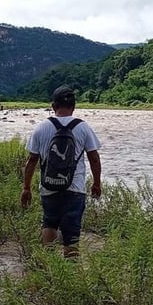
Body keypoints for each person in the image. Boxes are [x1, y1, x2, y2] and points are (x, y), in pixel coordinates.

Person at [21, 85, 102, 257]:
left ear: (53, 106)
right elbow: (94, 158)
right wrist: (97, 183)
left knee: (49, 222)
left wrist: (26, 188)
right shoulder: (83, 127)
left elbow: (31, 161)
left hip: (49, 186)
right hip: (75, 189)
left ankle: (48, 264)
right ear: (74, 107)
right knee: (72, 230)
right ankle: (69, 271)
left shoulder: (41, 128)